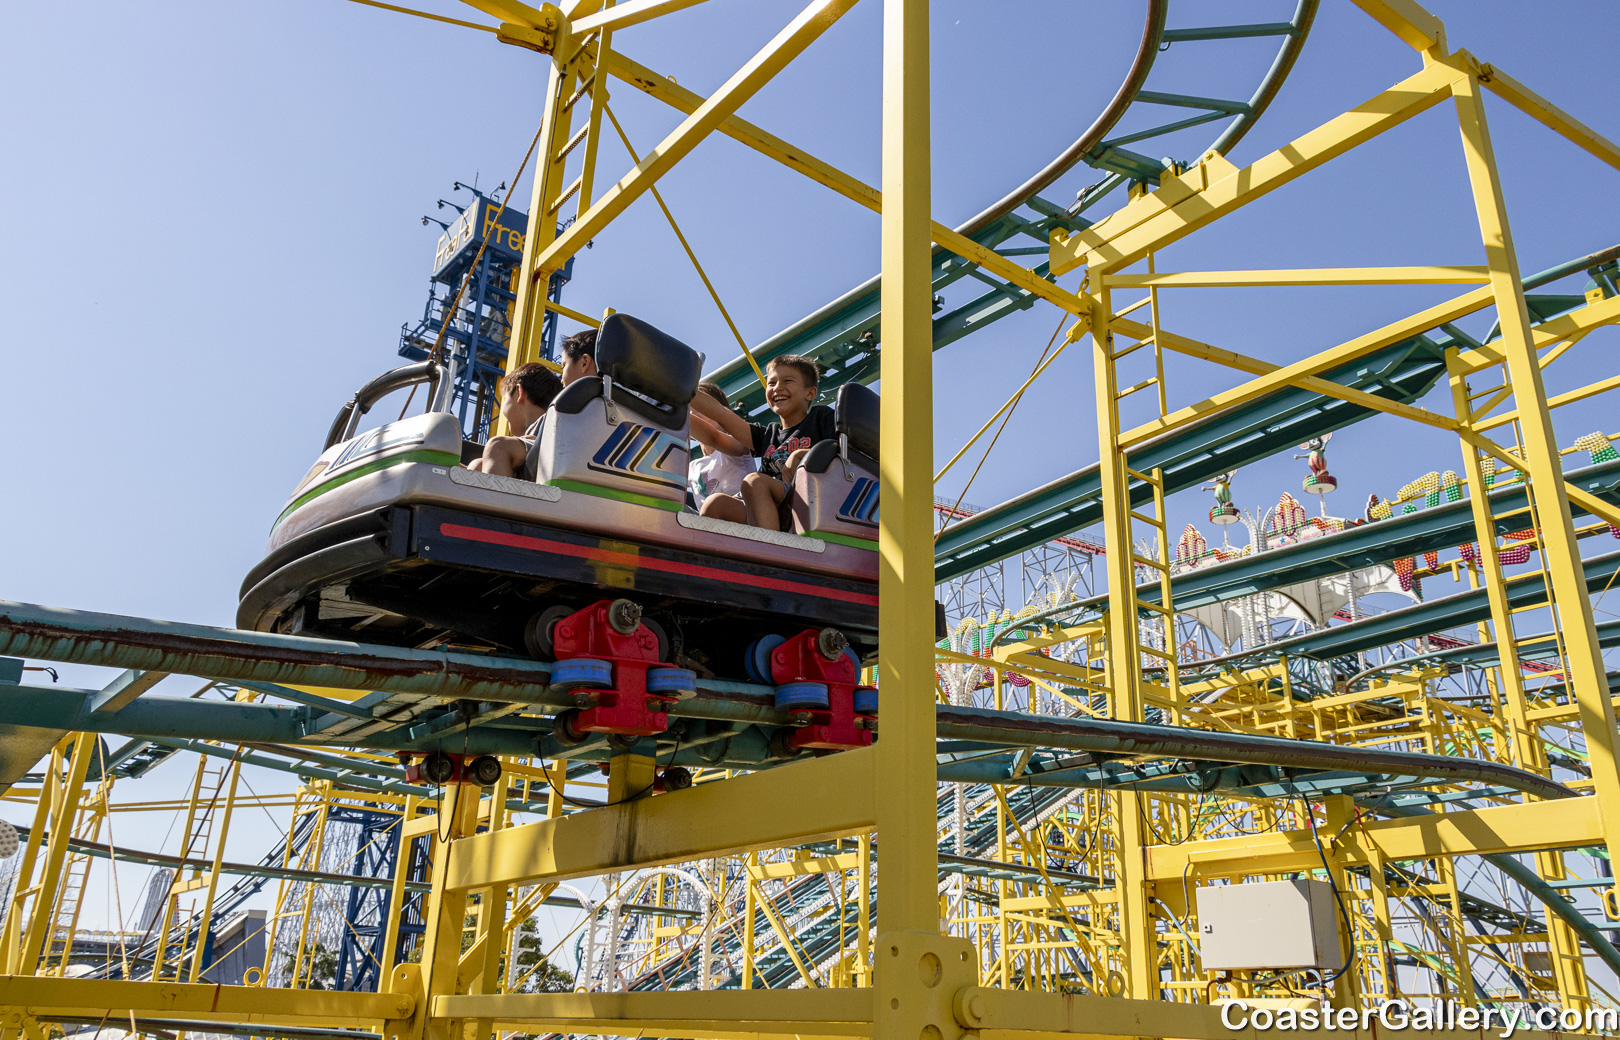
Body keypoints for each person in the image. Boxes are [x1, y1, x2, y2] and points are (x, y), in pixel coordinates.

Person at [689, 355, 835, 530]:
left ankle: (770, 544)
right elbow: (720, 419)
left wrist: (802, 455)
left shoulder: (820, 417)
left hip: (810, 497)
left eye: (787, 381)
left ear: (810, 393)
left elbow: (842, 451)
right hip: (771, 505)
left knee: (755, 481)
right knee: (714, 504)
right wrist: (680, 388)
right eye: (771, 383)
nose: (777, 387)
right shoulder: (767, 434)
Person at [466, 362, 562, 479]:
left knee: (496, 445)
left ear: (518, 392)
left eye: (504, 398)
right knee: (477, 465)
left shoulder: (550, 422)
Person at [687, 381, 756, 505]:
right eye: (687, 410)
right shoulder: (691, 468)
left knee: (715, 502)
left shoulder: (738, 445)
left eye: (700, 409)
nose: (693, 414)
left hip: (744, 513)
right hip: (708, 517)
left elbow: (714, 437)